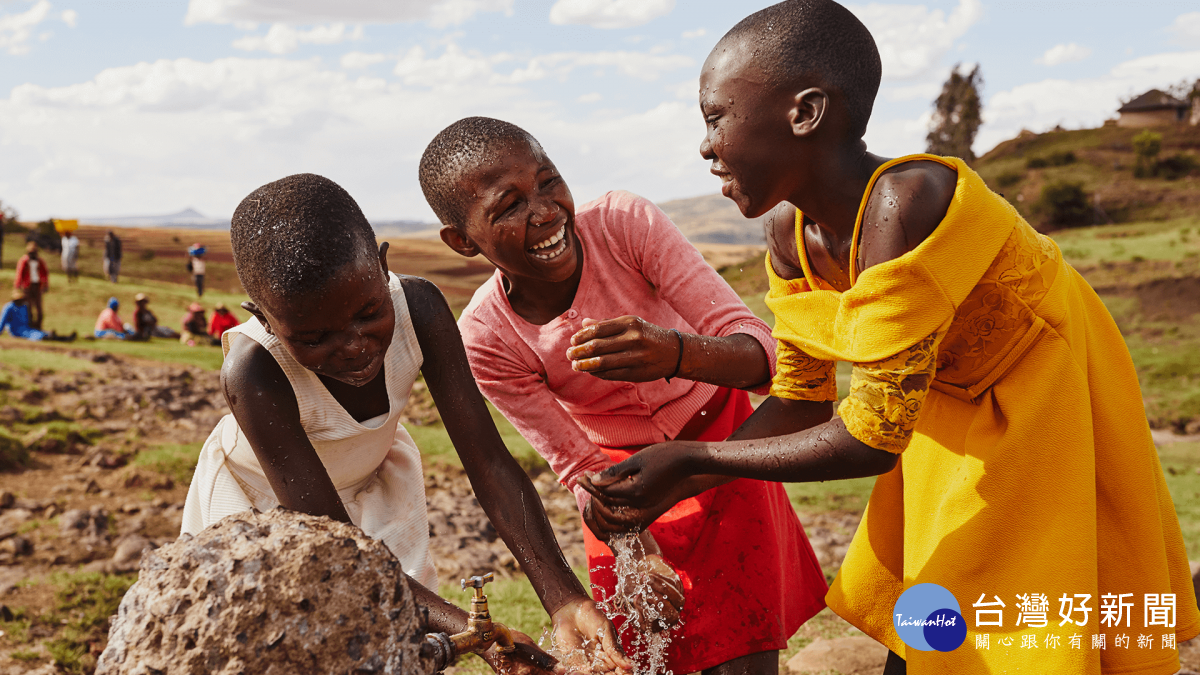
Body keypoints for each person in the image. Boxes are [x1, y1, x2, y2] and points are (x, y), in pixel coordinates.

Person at [579, 2, 1200, 674]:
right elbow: (804, 399)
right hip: (938, 410)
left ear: (805, 112)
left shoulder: (909, 202)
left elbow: (871, 438)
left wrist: (690, 460)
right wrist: (677, 479)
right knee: (932, 621)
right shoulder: (791, 237)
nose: (704, 144)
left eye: (715, 115)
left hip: (1043, 399)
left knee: (1026, 623)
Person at [180, 173, 629, 675]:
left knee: (394, 654)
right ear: (262, 318)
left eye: (369, 312)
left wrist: (564, 598)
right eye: (314, 337)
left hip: (372, 485)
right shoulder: (254, 371)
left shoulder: (419, 307)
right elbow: (333, 545)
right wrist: (480, 637)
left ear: (383, 264)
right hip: (266, 511)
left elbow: (488, 463)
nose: (353, 345)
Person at [424, 117, 827, 675]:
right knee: (641, 658)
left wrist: (677, 353)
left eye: (548, 182)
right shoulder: (487, 338)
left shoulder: (622, 224)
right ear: (462, 241)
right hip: (621, 492)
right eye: (508, 206)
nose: (544, 212)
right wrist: (635, 551)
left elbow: (765, 357)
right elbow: (576, 464)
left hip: (728, 448)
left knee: (747, 654)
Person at [0, 290, 74, 341]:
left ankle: (65, 338)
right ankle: (49, 337)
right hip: (16, 331)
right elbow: (2, 322)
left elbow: (28, 319)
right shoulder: (8, 307)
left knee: (43, 333)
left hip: (27, 328)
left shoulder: (24, 306)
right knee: (35, 335)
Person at [14, 241, 49, 330]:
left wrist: (45, 285)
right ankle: (29, 327)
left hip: (37, 286)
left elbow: (45, 274)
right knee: (28, 308)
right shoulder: (24, 261)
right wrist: (17, 286)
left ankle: (38, 327)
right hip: (27, 287)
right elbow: (19, 274)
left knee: (39, 309)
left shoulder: (40, 261)